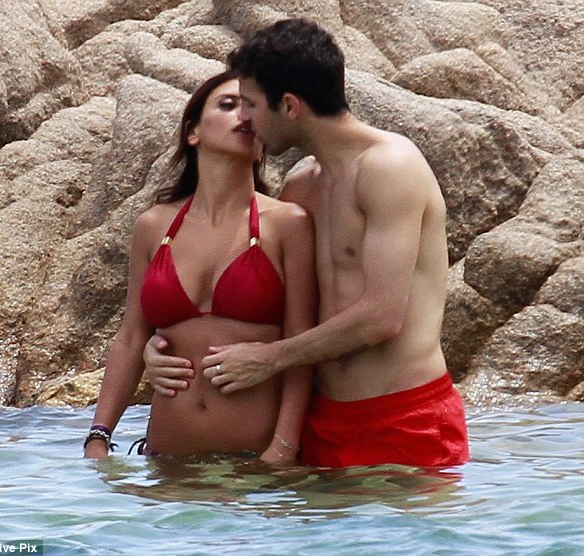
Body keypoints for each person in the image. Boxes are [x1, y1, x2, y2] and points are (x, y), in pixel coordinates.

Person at [144, 18, 470, 469]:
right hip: (322, 425)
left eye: (252, 104)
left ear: (290, 106)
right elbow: (269, 307)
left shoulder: (390, 168)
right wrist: (161, 349)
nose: (247, 120)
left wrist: (272, 359)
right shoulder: (301, 189)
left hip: (404, 416)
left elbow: (382, 317)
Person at [84, 70, 317, 465]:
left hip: (255, 468)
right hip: (165, 463)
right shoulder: (154, 226)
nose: (244, 116)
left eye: (253, 109)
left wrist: (283, 449)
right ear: (193, 132)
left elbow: (302, 344)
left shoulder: (287, 224)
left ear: (263, 145)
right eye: (228, 105)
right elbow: (131, 338)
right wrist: (98, 439)